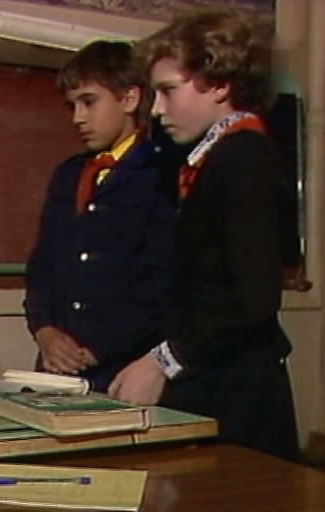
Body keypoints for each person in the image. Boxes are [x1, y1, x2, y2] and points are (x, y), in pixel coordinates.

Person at [111, 9, 299, 459]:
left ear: (218, 83)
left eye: (168, 91)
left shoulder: (242, 158)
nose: (157, 110)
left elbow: (252, 299)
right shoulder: (213, 157)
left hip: (240, 395)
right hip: (215, 380)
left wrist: (162, 361)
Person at [24, 40, 175, 392]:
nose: (78, 118)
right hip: (57, 369)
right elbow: (43, 265)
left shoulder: (161, 173)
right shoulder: (68, 174)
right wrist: (45, 331)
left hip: (125, 370)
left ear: (129, 99)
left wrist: (98, 348)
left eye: (89, 102)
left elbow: (161, 280)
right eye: (72, 105)